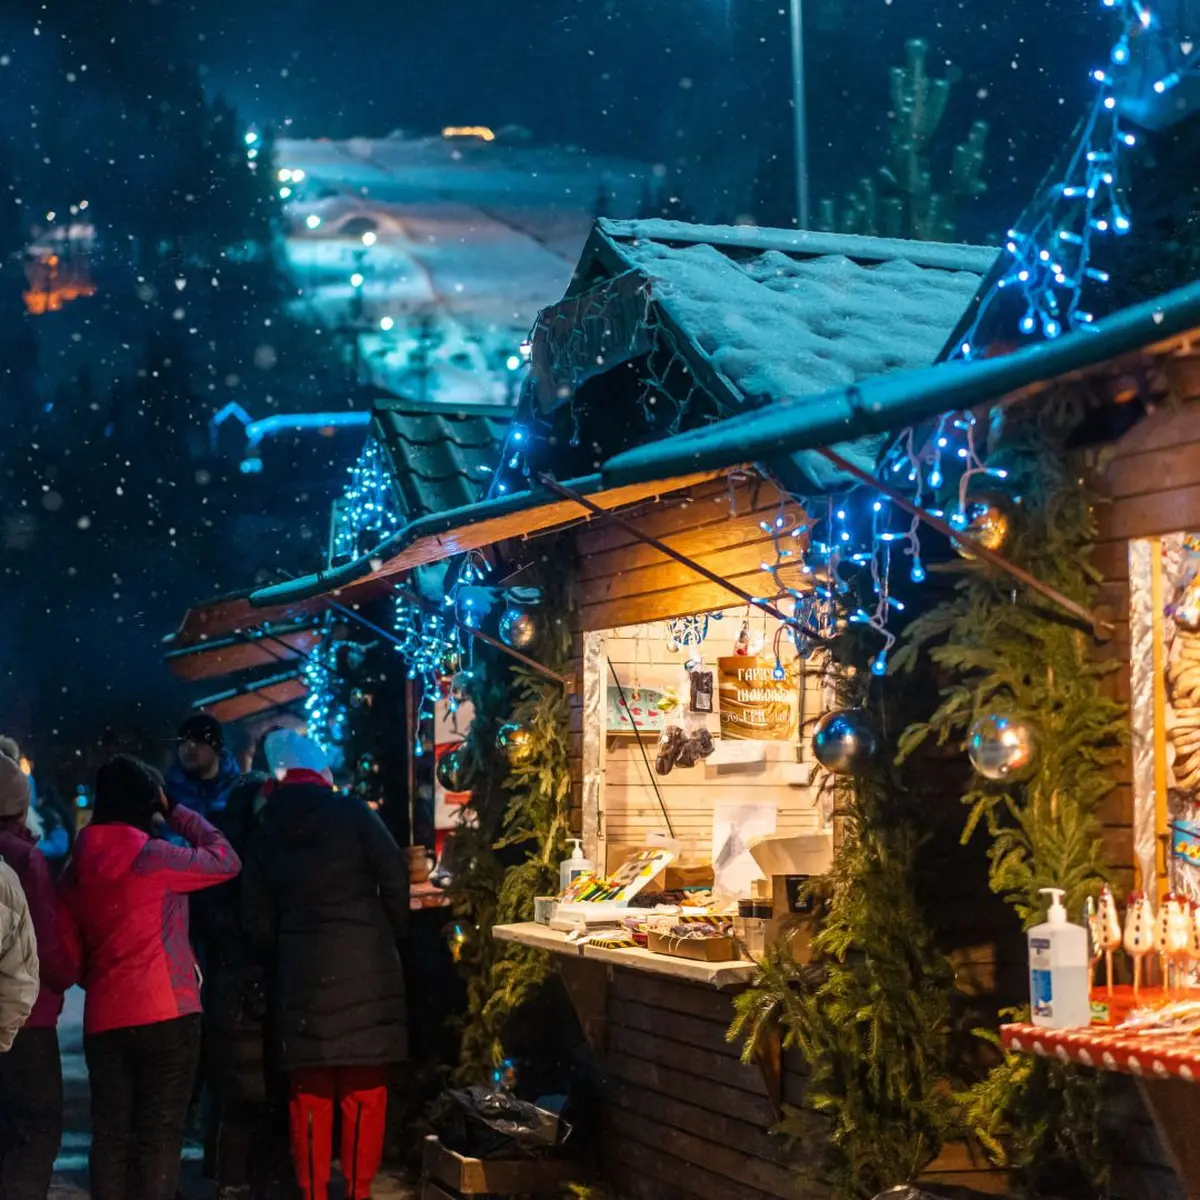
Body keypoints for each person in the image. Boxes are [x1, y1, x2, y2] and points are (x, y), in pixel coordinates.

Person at [57, 754, 241, 1200]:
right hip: (167, 1012)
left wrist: (93, 975)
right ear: (147, 801)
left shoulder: (77, 865)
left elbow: (64, 941)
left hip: (105, 1017)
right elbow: (224, 859)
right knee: (159, 1136)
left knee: (112, 1136)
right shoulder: (156, 856)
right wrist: (177, 810)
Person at [242, 730, 408, 1200]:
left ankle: (313, 1192)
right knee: (364, 1094)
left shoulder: (265, 826)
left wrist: (282, 950)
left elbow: (255, 915)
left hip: (300, 976)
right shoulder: (353, 813)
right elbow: (393, 872)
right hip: (366, 969)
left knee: (309, 1097)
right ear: (321, 772)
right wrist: (388, 931)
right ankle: (357, 1191)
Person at [191, 772, 293, 1200]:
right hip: (252, 983)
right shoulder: (261, 855)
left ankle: (230, 1178)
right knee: (256, 1094)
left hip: (226, 985)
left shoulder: (218, 860)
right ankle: (254, 1177)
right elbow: (258, 925)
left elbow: (205, 921)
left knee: (233, 1094)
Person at [0, 753, 75, 1199]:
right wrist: (66, 974)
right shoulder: (25, 859)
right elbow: (42, 941)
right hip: (26, 1018)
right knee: (36, 1128)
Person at [165, 714, 242, 817]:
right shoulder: (168, 795)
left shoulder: (240, 789)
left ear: (216, 745)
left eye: (199, 739)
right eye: (182, 741)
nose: (189, 746)